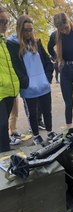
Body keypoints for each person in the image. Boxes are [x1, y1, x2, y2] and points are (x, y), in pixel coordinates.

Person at [6, 15, 57, 145]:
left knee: (47, 111)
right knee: (32, 114)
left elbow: (47, 61)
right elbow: (15, 66)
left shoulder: (37, 42)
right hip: (29, 88)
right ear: (19, 29)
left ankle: (50, 132)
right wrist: (26, 82)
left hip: (43, 86)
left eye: (30, 30)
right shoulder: (13, 45)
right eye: (26, 30)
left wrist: (47, 77)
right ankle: (36, 135)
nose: (29, 33)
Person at [0, 7, 20, 153]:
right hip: (1, 93)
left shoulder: (3, 41)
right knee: (1, 130)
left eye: (7, 21)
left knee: (3, 129)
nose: (5, 24)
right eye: (1, 21)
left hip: (9, 91)